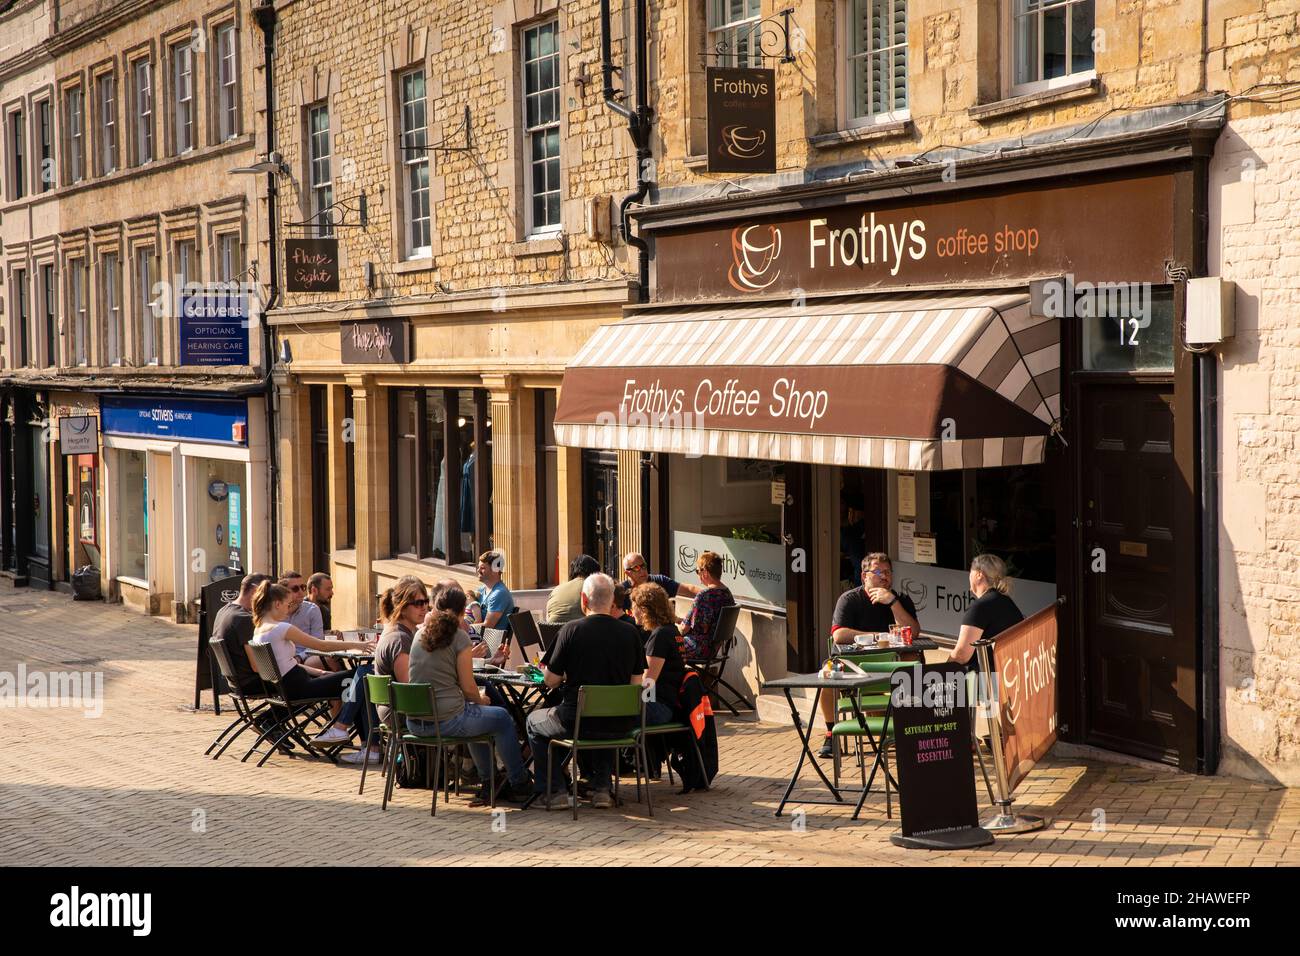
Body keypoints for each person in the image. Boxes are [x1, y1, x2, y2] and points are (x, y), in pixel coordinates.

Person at [527, 573, 647, 809]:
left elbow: (550, 680)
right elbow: (636, 684)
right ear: (612, 599)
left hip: (576, 720)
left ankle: (555, 791)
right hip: (621, 723)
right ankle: (602, 789)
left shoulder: (570, 630)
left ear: (583, 599)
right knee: (602, 716)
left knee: (533, 721)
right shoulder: (630, 632)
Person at [407, 609, 534, 804]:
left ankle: (490, 781)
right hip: (445, 721)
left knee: (477, 713)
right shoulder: (458, 637)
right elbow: (468, 688)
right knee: (500, 717)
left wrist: (489, 663)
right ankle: (519, 783)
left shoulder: (418, 634)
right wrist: (480, 700)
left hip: (416, 722)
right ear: (456, 614)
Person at [249, 581, 377, 764]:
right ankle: (364, 742)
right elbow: (321, 645)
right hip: (301, 688)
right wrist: (358, 645)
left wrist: (318, 672)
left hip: (289, 687)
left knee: (355, 683)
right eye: (287, 605)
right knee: (360, 676)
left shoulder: (259, 630)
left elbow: (285, 663)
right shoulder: (282, 628)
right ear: (277, 604)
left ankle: (365, 744)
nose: (288, 610)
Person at [817, 552, 921, 758]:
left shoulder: (901, 600)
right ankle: (831, 733)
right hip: (857, 668)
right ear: (864, 576)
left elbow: (914, 632)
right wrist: (879, 636)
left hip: (891, 668)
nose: (885, 577)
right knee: (827, 674)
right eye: (878, 572)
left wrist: (892, 603)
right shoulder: (849, 600)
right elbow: (838, 634)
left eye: (888, 572)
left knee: (913, 664)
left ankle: (908, 731)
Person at [372, 577, 430, 749]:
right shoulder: (400, 638)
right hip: (400, 712)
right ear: (403, 607)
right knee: (470, 712)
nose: (424, 607)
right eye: (418, 603)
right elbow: (409, 688)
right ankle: (468, 767)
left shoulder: (405, 632)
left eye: (426, 601)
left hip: (398, 709)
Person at [951, 553, 1023, 670]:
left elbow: (961, 655)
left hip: (985, 682)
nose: (969, 576)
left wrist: (941, 671)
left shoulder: (980, 607)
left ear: (979, 574)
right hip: (1007, 678)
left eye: (971, 572)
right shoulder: (1007, 602)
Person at [629, 582, 687, 725]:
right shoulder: (671, 631)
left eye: (634, 606)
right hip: (665, 705)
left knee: (607, 713)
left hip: (658, 707)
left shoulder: (660, 636)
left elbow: (647, 683)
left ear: (644, 609)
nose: (631, 611)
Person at [210, 572, 272, 695]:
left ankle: (275, 714)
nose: (268, 600)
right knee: (300, 681)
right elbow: (256, 665)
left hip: (235, 682)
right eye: (266, 594)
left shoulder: (223, 611)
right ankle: (275, 715)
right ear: (255, 591)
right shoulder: (243, 618)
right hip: (252, 683)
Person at [679, 551, 736, 659]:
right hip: (713, 650)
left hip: (697, 648)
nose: (698, 575)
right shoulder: (728, 594)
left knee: (663, 642)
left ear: (705, 572)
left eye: (697, 571)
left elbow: (684, 629)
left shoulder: (704, 596)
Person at [621, 551, 699, 603]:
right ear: (628, 573)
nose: (642, 571)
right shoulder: (621, 592)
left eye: (643, 566)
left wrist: (710, 593)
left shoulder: (660, 581)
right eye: (636, 568)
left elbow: (689, 589)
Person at [546, 554, 601, 623]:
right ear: (594, 573)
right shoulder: (593, 588)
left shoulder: (556, 590)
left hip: (551, 632)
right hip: (581, 631)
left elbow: (548, 618)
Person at [473, 550, 514, 634]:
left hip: (490, 643)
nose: (478, 570)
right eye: (478, 567)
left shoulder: (499, 594)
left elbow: (488, 626)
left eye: (483, 568)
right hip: (477, 639)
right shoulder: (481, 590)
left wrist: (461, 628)